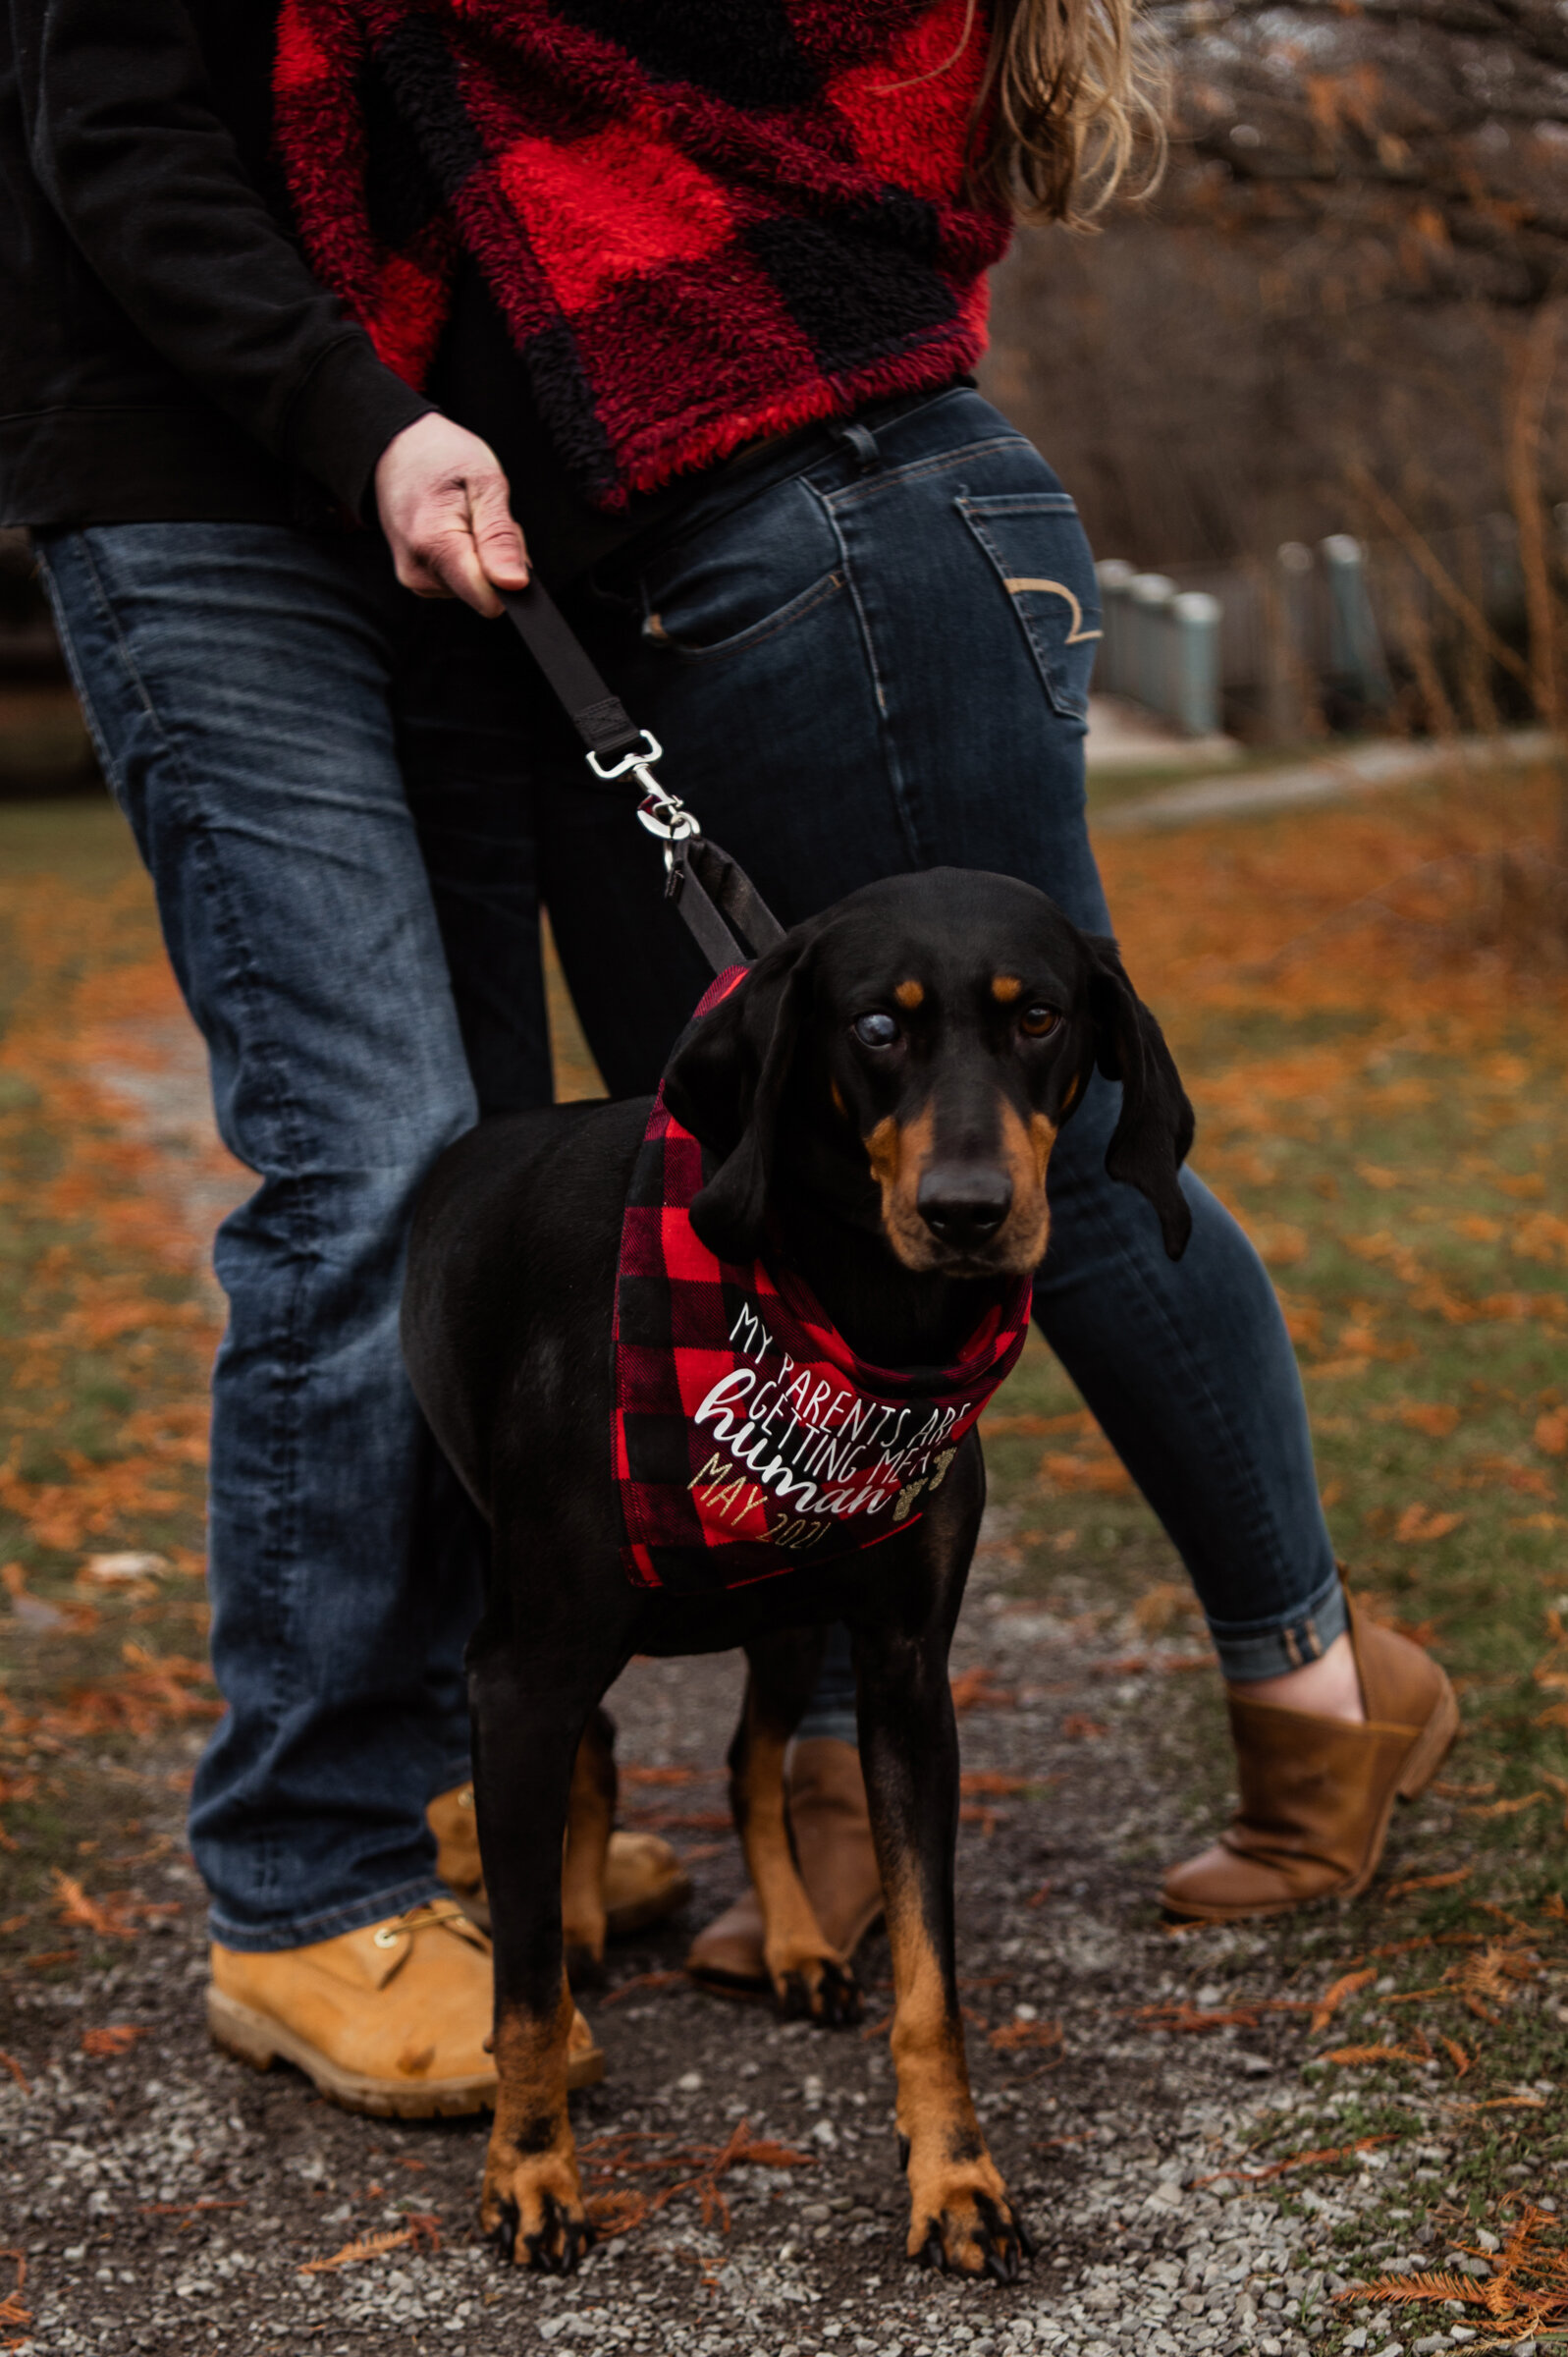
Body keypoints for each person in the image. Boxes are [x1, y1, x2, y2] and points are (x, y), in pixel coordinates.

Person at [0, 0, 1455, 2114]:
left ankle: (1307, 1688)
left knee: (1043, 1154)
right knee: (695, 1180)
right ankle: (607, 1810)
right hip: (531, 527)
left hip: (782, 513)